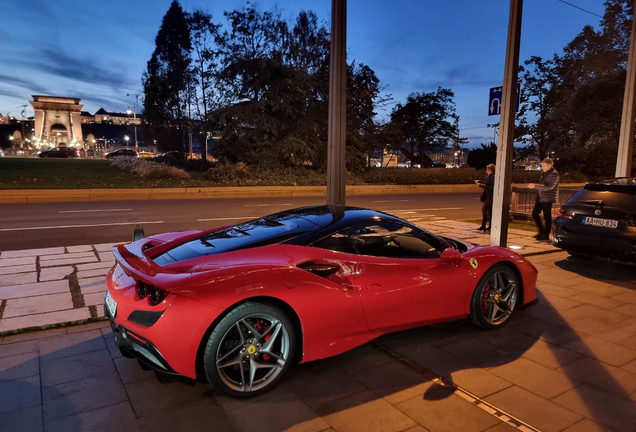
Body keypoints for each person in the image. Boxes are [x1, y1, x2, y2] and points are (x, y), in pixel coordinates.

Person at [527, 157, 559, 241]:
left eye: (543, 166)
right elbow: (544, 185)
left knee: (547, 216)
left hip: (548, 198)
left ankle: (545, 234)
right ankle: (541, 232)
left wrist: (535, 186)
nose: (542, 168)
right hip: (542, 197)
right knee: (535, 213)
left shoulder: (554, 174)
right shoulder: (546, 173)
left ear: (549, 165)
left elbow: (549, 187)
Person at [475, 164, 495, 232]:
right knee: (489, 211)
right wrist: (480, 182)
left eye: (488, 170)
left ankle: (484, 225)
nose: (487, 171)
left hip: (491, 195)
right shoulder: (488, 177)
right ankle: (489, 226)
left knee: (484, 209)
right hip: (487, 195)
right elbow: (487, 184)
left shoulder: (493, 177)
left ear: (491, 170)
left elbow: (491, 187)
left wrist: (481, 185)